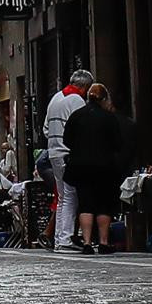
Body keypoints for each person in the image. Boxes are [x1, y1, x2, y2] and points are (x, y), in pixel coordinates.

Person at [63, 80, 132, 254]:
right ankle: (103, 242)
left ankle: (86, 243)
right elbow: (118, 144)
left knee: (85, 203)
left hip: (81, 167)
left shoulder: (77, 116)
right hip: (104, 167)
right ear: (104, 99)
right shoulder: (109, 118)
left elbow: (66, 141)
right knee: (104, 204)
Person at [42, 67, 90, 250]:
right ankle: (66, 238)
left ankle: (60, 238)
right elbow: (82, 125)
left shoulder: (56, 98)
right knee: (70, 196)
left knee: (62, 196)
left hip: (53, 151)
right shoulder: (76, 100)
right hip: (67, 152)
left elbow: (46, 128)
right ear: (84, 87)